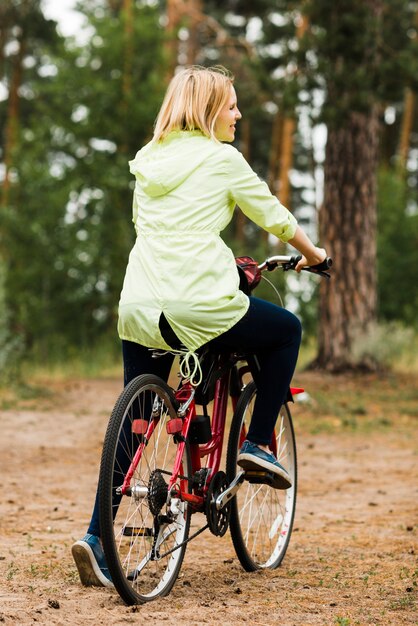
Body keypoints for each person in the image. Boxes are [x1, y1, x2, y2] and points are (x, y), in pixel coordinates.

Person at [72, 65, 327, 587]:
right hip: (199, 306)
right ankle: (256, 444)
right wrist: (314, 255)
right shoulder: (222, 158)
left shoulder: (150, 161)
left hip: (141, 305)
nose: (237, 113)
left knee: (137, 419)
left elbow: (170, 233)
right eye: (231, 104)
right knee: (286, 331)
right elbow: (274, 216)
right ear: (210, 109)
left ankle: (97, 538)